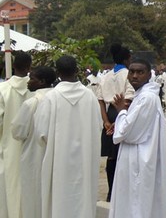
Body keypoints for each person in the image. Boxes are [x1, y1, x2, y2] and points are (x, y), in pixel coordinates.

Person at [34, 55, 101, 218]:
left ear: (57, 73)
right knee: (83, 199)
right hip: (85, 160)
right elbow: (98, 127)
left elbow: (41, 133)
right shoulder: (90, 97)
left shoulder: (51, 98)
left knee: (58, 201)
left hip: (58, 161)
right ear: (77, 71)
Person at [108, 60, 166, 218]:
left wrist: (122, 111)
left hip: (138, 160)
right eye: (132, 72)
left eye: (140, 72)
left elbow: (126, 133)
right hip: (135, 157)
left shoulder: (146, 99)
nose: (135, 76)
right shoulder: (141, 96)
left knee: (137, 201)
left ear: (149, 75)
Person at [11, 66, 56, 218]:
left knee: (33, 198)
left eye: (32, 79)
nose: (28, 82)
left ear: (42, 81)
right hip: (55, 158)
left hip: (33, 157)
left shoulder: (31, 103)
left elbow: (17, 132)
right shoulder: (58, 100)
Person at [96, 43, 134, 202]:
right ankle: (120, 193)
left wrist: (105, 121)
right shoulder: (129, 75)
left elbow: (100, 99)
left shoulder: (106, 76)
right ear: (127, 59)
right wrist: (119, 119)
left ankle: (111, 192)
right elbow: (129, 99)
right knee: (122, 154)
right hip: (123, 111)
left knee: (111, 157)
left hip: (109, 112)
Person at [0, 51, 32, 218]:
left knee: (9, 188)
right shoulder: (36, 88)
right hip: (33, 146)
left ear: (12, 66)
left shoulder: (3, 89)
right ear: (29, 67)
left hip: (8, 146)